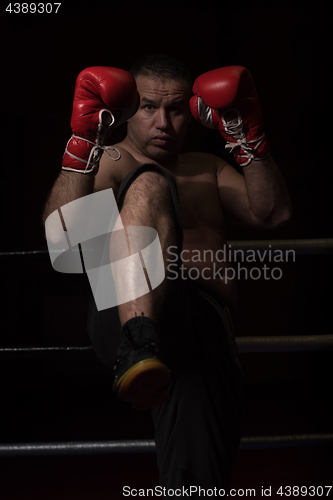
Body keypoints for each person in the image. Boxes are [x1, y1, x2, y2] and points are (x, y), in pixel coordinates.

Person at [43, 54, 292, 495]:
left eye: (176, 109)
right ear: (125, 111)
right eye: (148, 107)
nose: (164, 122)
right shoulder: (112, 160)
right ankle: (139, 340)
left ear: (193, 112)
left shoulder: (207, 167)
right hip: (123, 315)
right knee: (151, 182)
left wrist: (246, 136)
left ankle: (147, 353)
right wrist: (83, 143)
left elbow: (272, 213)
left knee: (200, 475)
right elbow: (62, 242)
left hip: (201, 320)